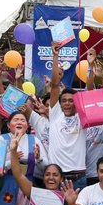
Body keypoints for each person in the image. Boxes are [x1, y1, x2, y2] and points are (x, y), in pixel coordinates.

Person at [9, 130, 77, 205]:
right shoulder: (36, 193)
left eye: (55, 175)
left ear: (61, 178)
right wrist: (13, 151)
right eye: (47, 174)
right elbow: (18, 175)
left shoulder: (68, 199)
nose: (51, 178)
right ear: (43, 177)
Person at [0, 110, 48, 205]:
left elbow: (46, 167)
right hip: (6, 184)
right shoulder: (1, 139)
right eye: (16, 119)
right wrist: (12, 158)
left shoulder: (34, 140)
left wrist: (38, 158)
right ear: (8, 124)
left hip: (27, 186)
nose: (19, 122)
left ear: (27, 125)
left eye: (23, 120)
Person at [41, 42, 88, 188]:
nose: (67, 103)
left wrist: (91, 70)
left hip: (79, 175)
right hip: (56, 175)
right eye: (64, 101)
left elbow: (91, 91)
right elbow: (55, 85)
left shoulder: (83, 117)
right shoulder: (55, 115)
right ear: (59, 104)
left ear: (77, 103)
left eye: (71, 101)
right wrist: (55, 57)